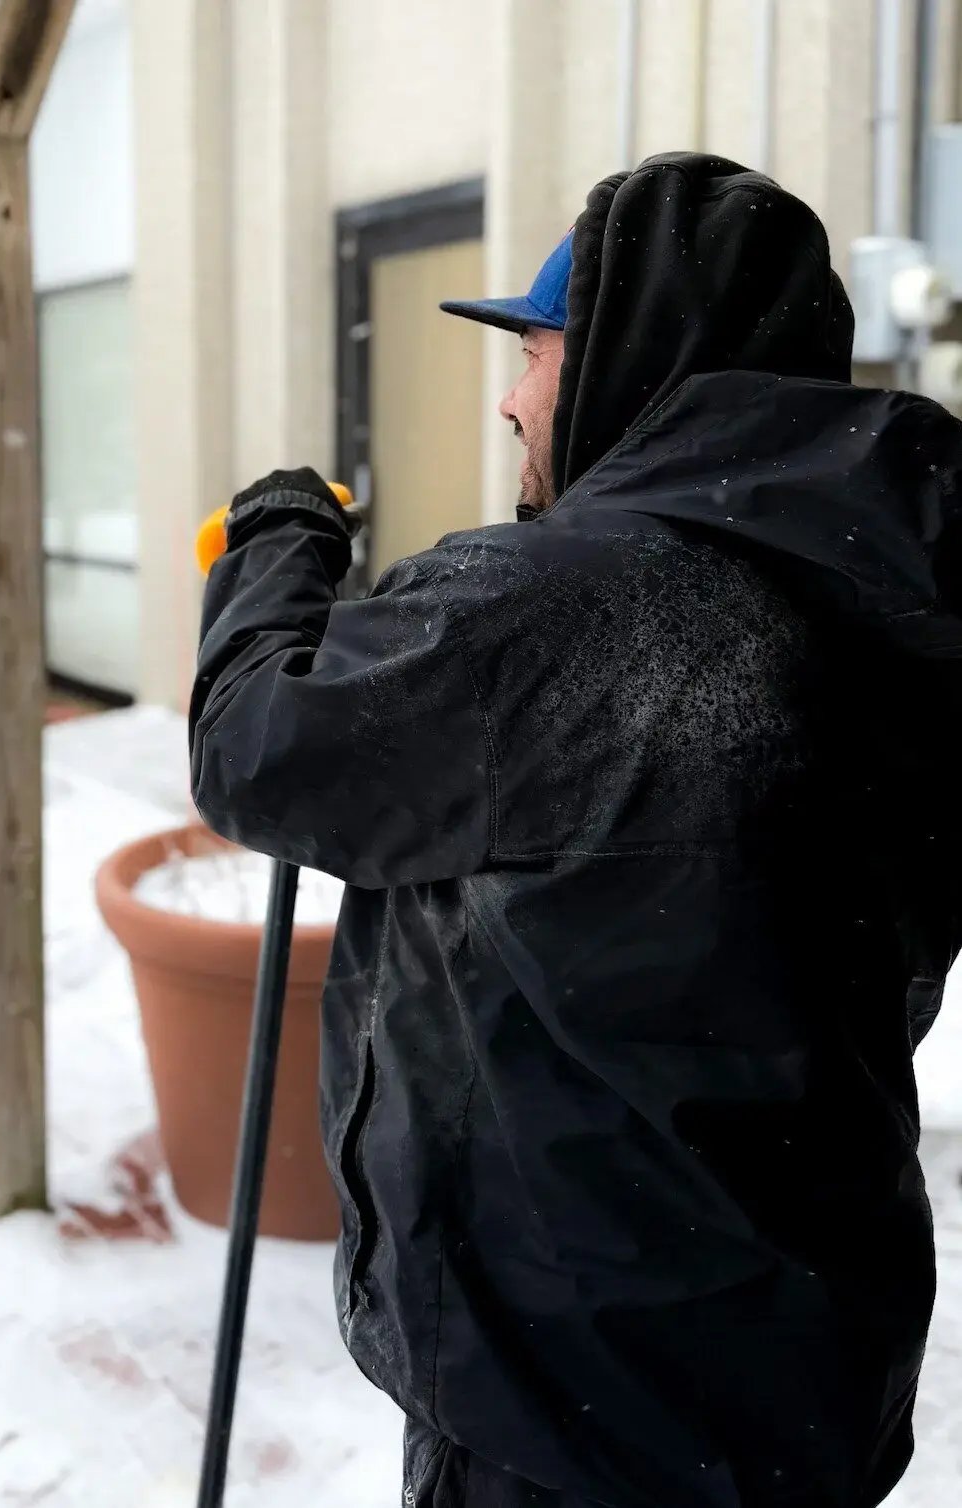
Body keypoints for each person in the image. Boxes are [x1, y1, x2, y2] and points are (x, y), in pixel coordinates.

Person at [190, 151, 962, 1508]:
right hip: (807, 1349)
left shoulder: (566, 613)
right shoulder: (900, 601)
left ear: (624, 360)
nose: (511, 393)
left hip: (570, 1389)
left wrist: (276, 543)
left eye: (537, 350)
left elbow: (264, 745)